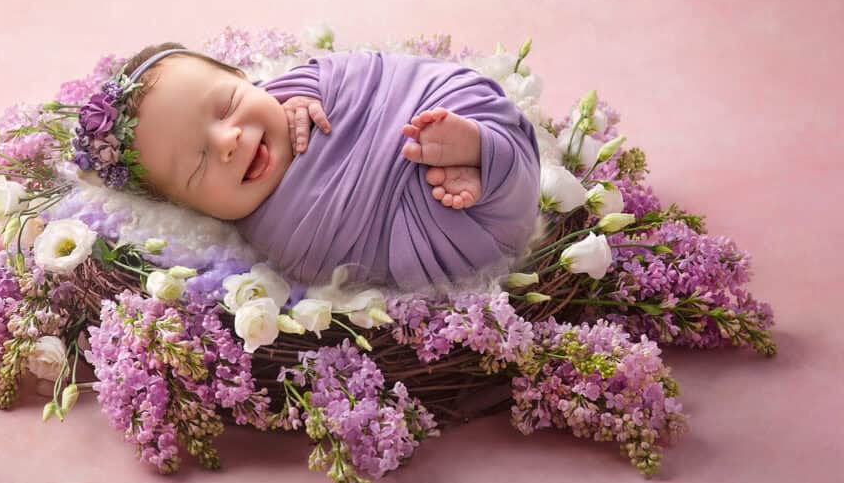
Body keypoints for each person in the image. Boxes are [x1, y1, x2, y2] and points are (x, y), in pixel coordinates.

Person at [115, 42, 541, 294]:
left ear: (246, 79)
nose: (228, 141)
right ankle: (487, 173)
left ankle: (480, 146)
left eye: (227, 105)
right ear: (191, 208)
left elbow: (363, 71)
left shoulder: (295, 91)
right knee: (446, 254)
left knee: (459, 98)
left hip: (421, 107)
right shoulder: (268, 242)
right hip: (422, 226)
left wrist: (305, 89)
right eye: (197, 165)